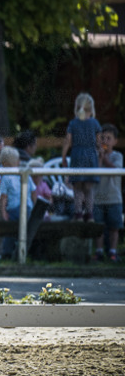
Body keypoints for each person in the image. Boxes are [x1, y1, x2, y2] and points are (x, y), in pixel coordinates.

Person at [61, 92, 101, 221]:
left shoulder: (73, 123)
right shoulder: (95, 123)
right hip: (90, 156)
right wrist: (101, 152)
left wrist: (63, 157)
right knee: (89, 188)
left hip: (77, 155)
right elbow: (99, 143)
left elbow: (68, 141)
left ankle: (78, 213)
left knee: (77, 187)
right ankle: (89, 214)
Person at [0, 146, 36, 259]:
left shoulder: (6, 177)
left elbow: (3, 197)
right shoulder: (25, 175)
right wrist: (35, 206)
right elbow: (33, 193)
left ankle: (7, 252)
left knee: (10, 231)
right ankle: (23, 251)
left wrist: (3, 211)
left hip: (14, 208)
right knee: (24, 229)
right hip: (26, 208)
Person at [93, 123, 122, 262]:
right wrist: (99, 157)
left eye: (109, 138)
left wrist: (104, 158)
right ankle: (98, 252)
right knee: (98, 227)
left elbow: (115, 170)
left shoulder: (117, 156)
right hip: (98, 197)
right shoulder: (95, 155)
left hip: (113, 198)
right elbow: (95, 173)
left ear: (115, 141)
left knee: (114, 227)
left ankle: (113, 252)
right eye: (102, 138)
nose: (105, 141)